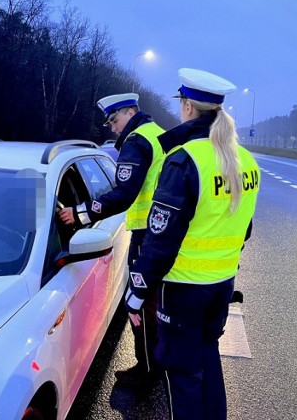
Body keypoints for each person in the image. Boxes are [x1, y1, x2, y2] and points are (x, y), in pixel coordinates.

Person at [124, 68, 260, 419]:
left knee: (180, 375)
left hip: (183, 291)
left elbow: (160, 240)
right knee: (207, 360)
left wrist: (136, 291)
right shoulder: (245, 161)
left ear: (186, 106)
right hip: (221, 286)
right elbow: (243, 232)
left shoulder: (184, 160)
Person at [58, 92, 166, 388]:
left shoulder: (136, 141)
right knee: (155, 305)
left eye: (115, 120)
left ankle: (147, 372)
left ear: (130, 112)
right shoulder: (158, 134)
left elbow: (123, 194)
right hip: (161, 231)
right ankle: (156, 363)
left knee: (140, 305)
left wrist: (80, 213)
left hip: (147, 235)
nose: (113, 128)